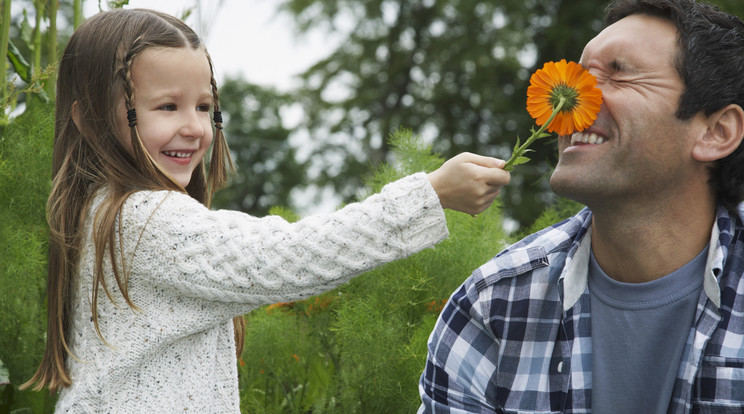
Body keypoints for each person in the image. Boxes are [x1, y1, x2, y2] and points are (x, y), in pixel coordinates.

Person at [19, 8, 511, 413]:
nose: (195, 127)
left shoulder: (104, 212)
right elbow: (285, 256)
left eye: (204, 107)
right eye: (167, 106)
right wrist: (429, 194)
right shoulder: (144, 221)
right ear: (89, 119)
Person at [418, 0, 744, 412]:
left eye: (619, 74)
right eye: (579, 75)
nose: (574, 100)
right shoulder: (492, 304)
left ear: (716, 132)